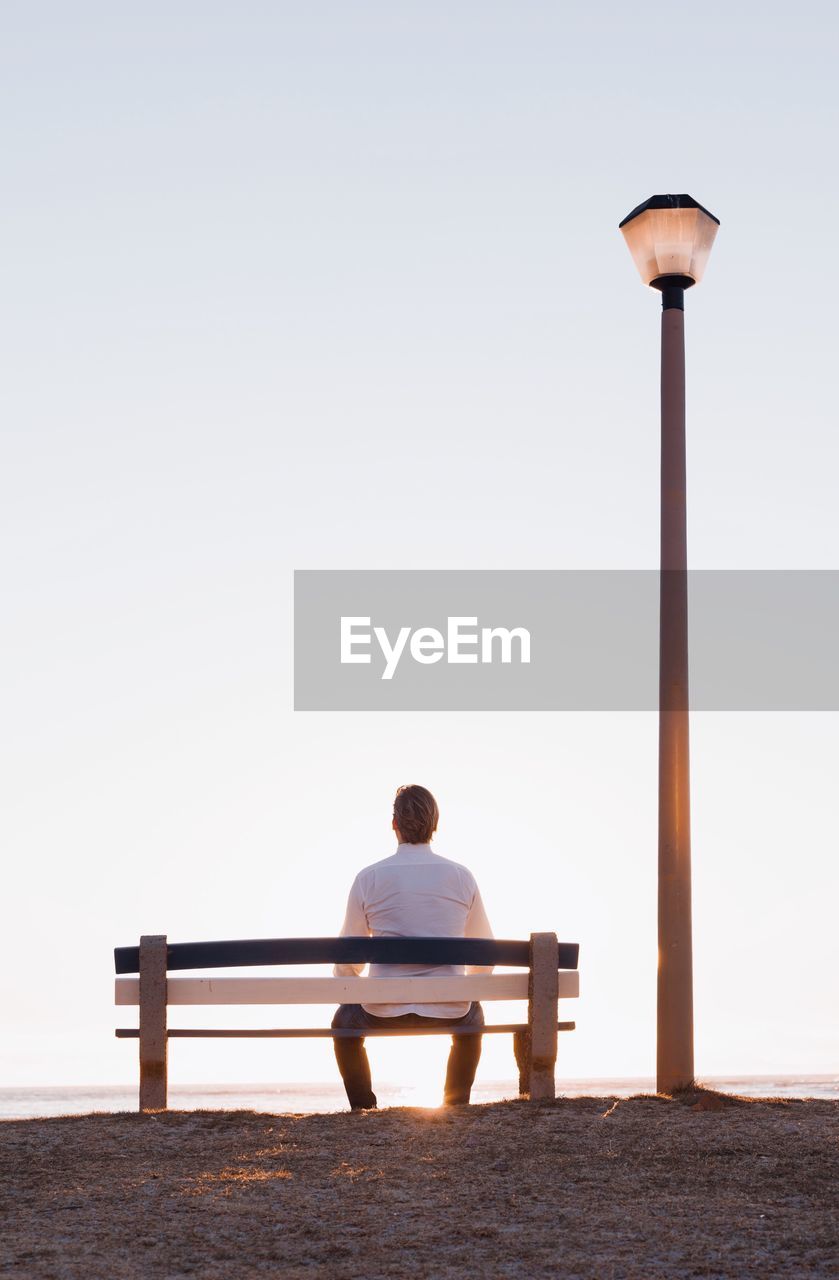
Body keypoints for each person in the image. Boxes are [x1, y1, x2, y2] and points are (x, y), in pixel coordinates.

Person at [331, 784, 494, 1110]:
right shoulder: (462, 877)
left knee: (342, 1022)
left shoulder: (369, 878)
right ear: (435, 824)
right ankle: (455, 1104)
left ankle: (363, 1107)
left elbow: (348, 958)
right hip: (449, 1008)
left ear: (394, 824)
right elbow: (484, 954)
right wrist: (465, 985)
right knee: (473, 1016)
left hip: (382, 1010)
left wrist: (352, 987)